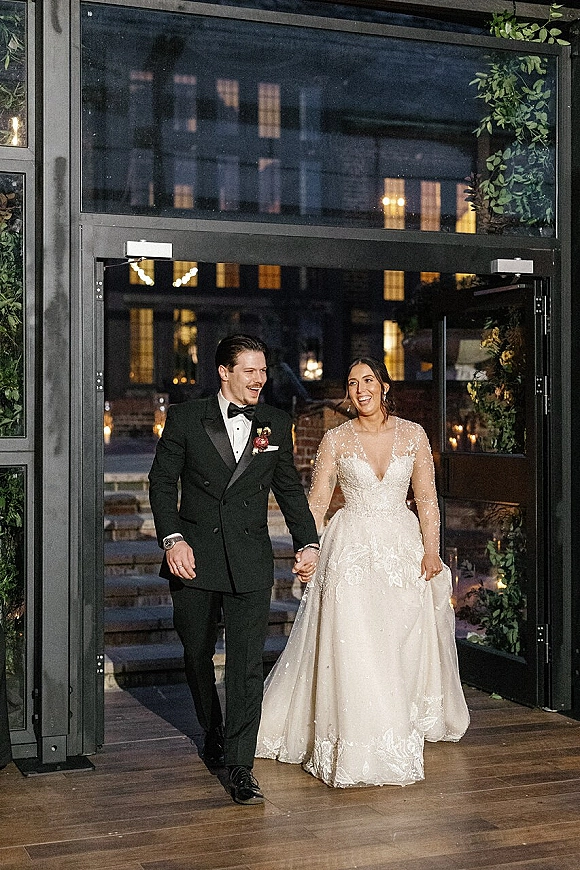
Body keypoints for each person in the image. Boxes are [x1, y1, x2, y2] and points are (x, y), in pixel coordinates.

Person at [255, 357, 469, 787]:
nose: (360, 389)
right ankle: (358, 737)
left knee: (398, 638)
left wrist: (432, 552)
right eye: (352, 383)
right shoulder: (335, 439)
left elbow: (427, 499)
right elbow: (315, 505)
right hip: (350, 549)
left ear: (385, 386)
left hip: (402, 549)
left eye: (368, 380)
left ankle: (397, 719)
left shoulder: (414, 435)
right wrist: (308, 551)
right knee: (355, 640)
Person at [148, 334, 319, 805]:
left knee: (246, 666)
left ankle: (241, 765)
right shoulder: (185, 418)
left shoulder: (275, 423)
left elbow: (288, 489)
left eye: (263, 370)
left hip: (249, 561)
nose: (260, 380)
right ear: (224, 372)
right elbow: (161, 483)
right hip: (194, 558)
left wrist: (308, 541)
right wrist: (172, 539)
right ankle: (213, 728)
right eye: (250, 371)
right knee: (196, 653)